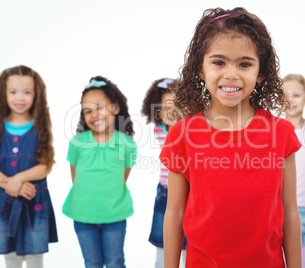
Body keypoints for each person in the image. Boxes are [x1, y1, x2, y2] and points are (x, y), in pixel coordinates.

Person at [160, 7, 302, 268]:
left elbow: (290, 211)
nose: (231, 74)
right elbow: (174, 213)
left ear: (261, 73)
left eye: (245, 64)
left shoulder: (281, 134)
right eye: (219, 62)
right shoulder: (182, 134)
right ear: (200, 69)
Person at [62, 76, 137, 268]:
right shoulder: (77, 142)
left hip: (115, 216)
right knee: (92, 262)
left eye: (100, 107)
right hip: (83, 216)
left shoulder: (127, 143)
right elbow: (75, 177)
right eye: (88, 111)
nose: (94, 114)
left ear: (116, 108)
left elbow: (123, 177)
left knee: (115, 261)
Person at [0, 65, 58, 268]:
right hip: (3, 203)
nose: (20, 98)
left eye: (27, 92)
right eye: (13, 92)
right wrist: (10, 184)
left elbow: (46, 164)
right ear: (3, 92)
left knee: (35, 258)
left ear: (36, 94)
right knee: (10, 256)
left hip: (35, 202)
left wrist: (19, 179)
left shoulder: (40, 124)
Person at [141, 78, 186, 268]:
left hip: (189, 194)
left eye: (178, 105)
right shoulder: (159, 130)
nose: (172, 111)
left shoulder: (191, 130)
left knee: (188, 249)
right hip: (165, 193)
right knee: (163, 246)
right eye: (166, 106)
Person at [282, 73, 305, 268]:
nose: (290, 100)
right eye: (285, 95)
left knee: (303, 262)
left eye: (296, 95)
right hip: (277, 207)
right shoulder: (274, 128)